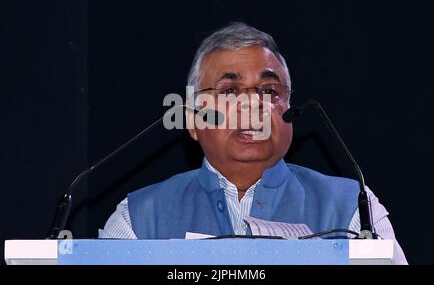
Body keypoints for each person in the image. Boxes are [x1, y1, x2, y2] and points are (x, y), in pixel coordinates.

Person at [99, 22, 407, 264]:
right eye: (230, 91)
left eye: (269, 91)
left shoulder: (354, 207)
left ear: (289, 111)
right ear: (193, 119)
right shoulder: (138, 218)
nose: (253, 106)